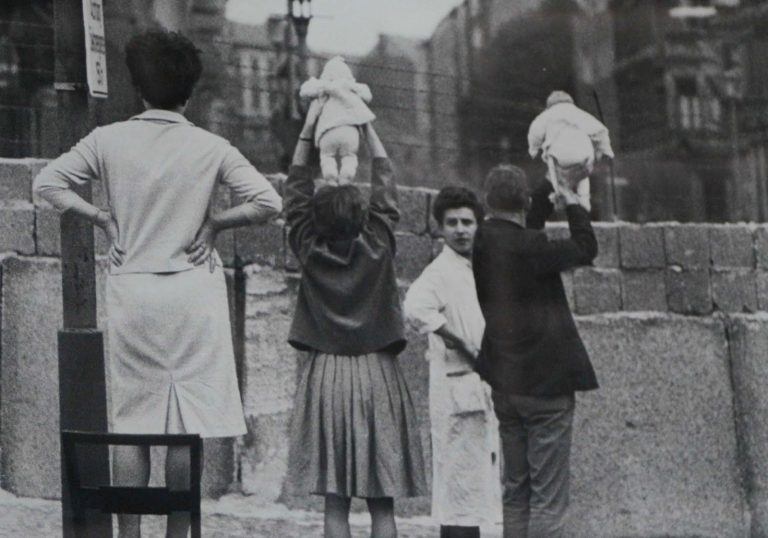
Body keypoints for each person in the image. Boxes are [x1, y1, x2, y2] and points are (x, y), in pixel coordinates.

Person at [33, 30, 282, 538]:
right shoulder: (212, 147)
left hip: (133, 290)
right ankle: (177, 535)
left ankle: (130, 535)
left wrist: (101, 217)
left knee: (132, 423)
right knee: (182, 429)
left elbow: (47, 184)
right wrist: (214, 224)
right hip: (192, 291)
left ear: (137, 86)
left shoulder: (108, 140)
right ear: (189, 90)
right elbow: (268, 203)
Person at [283, 105, 426, 538]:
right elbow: (386, 189)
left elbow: (294, 196)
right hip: (378, 372)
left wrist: (309, 129)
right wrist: (367, 126)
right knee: (383, 505)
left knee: (335, 503)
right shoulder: (379, 243)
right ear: (364, 217)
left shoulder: (307, 246)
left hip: (326, 373)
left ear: (316, 220)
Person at [472, 165, 599, 538]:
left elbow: (522, 229)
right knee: (548, 498)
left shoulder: (481, 240)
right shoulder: (533, 248)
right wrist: (573, 201)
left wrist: (552, 181)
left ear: (485, 203)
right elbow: (586, 247)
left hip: (505, 383)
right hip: (546, 385)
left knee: (516, 491)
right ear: (524, 202)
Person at [403, 187, 502, 538]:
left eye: (467, 222)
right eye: (452, 223)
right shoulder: (439, 271)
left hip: (485, 387)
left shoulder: (480, 266)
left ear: (479, 225)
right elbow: (415, 309)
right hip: (457, 390)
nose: (460, 230)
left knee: (479, 487)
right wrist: (459, 340)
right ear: (440, 229)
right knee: (458, 487)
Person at [527, 90, 614, 212]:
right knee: (583, 176)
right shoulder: (580, 114)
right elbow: (600, 131)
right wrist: (606, 150)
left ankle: (559, 194)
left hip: (561, 158)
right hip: (585, 157)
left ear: (549, 106)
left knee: (555, 175)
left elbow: (535, 132)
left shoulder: (547, 115)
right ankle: (584, 198)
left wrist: (533, 150)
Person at [299, 56, 375, 184]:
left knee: (327, 156)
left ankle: (330, 175)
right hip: (349, 131)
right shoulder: (350, 86)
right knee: (349, 156)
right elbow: (367, 95)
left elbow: (304, 91)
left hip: (327, 131)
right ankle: (347, 174)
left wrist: (321, 86)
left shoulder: (323, 86)